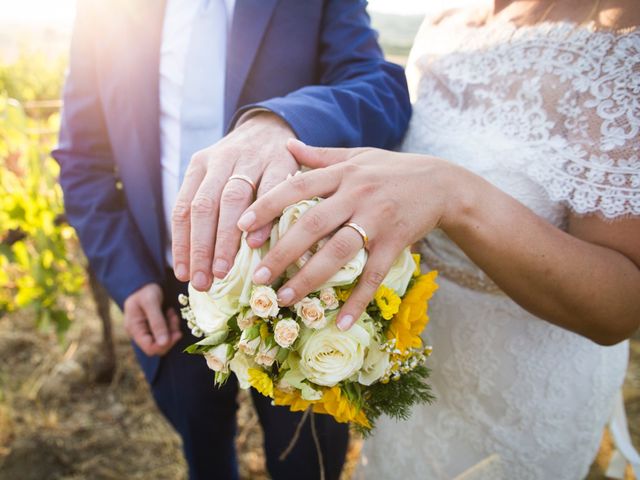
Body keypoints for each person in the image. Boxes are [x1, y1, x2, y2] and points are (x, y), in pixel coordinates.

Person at [234, 0, 640, 478]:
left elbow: (623, 307)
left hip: (520, 389)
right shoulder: (446, 23)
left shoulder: (621, 46)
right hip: (410, 363)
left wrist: (456, 193)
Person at [52, 1, 411, 479]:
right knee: (203, 456)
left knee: (306, 465)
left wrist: (281, 120)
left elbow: (381, 90)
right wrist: (128, 276)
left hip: (302, 292)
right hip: (165, 293)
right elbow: (83, 162)